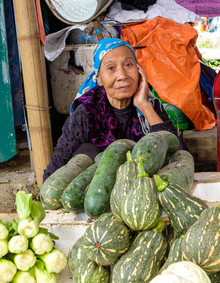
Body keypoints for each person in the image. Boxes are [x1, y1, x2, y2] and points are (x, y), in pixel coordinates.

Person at [43, 38, 184, 181]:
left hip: (144, 188)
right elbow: (53, 172)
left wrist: (144, 106)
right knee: (87, 151)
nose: (122, 76)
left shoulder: (150, 105)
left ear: (139, 71)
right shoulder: (86, 112)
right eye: (111, 68)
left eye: (128, 65)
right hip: (98, 193)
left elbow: (179, 156)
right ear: (99, 79)